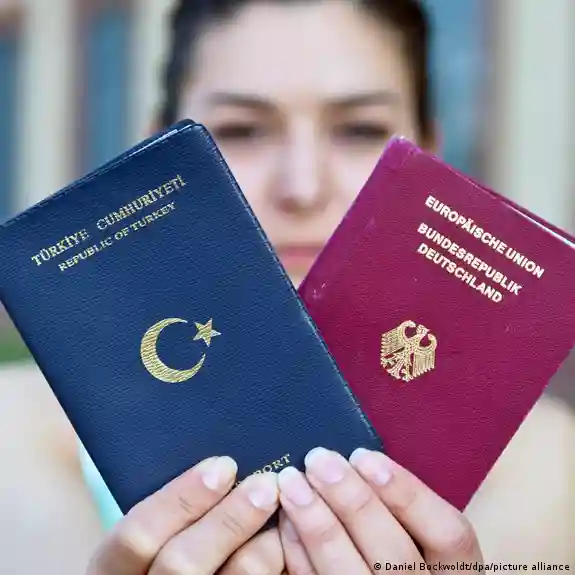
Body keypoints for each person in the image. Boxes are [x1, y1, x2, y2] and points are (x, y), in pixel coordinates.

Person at [1, 0, 573, 572]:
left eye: (360, 129)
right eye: (242, 129)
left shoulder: (546, 466)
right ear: (153, 154)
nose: (302, 186)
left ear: (429, 153)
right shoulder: (15, 436)